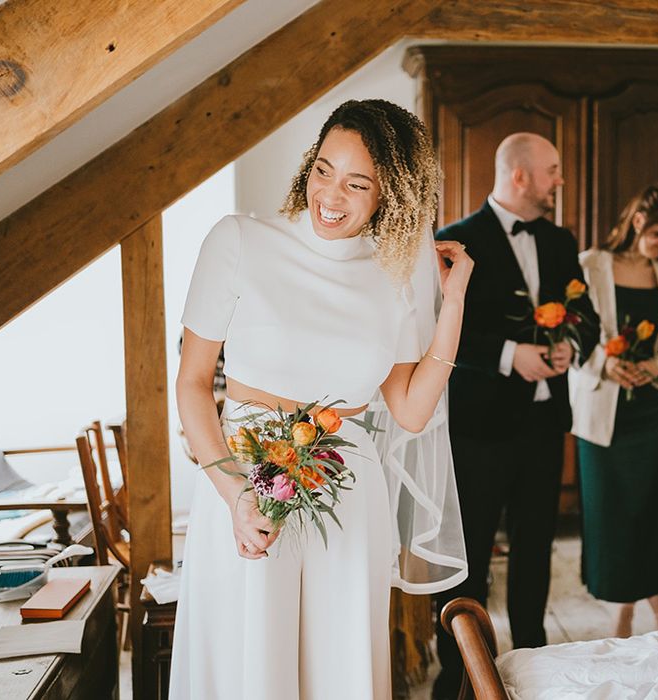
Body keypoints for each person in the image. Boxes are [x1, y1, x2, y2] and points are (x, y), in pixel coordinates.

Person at [168, 99, 472, 700]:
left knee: (339, 671)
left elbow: (410, 410)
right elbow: (193, 384)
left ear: (391, 194)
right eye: (324, 170)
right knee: (246, 663)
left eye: (358, 183)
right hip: (246, 490)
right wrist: (235, 497)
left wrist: (454, 303)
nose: (331, 195)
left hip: (349, 499)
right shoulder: (238, 241)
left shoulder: (396, 272)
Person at [432, 133, 599, 698]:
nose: (559, 181)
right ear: (521, 175)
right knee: (470, 554)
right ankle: (457, 674)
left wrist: (568, 349)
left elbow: (587, 317)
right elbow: (439, 331)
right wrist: (511, 355)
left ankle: (532, 665)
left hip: (544, 427)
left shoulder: (560, 239)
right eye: (552, 170)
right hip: (479, 431)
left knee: (536, 547)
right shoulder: (455, 240)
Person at [570, 183, 658, 638]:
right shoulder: (589, 265)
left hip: (653, 410)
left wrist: (655, 366)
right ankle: (627, 614)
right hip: (603, 414)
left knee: (655, 511)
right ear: (640, 221)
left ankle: (655, 608)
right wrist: (608, 362)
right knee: (614, 515)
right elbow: (574, 335)